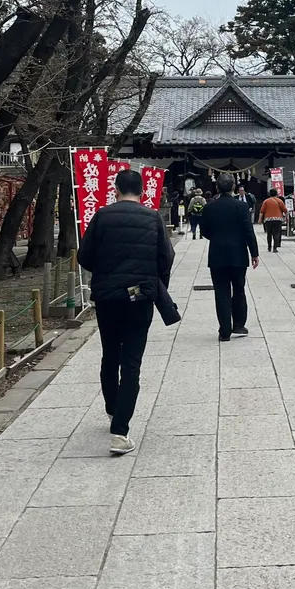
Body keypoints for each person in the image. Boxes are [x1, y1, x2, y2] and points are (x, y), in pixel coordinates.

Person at [77, 169, 175, 456]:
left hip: (107, 297)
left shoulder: (102, 216)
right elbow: (165, 258)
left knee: (110, 353)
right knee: (131, 362)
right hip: (140, 297)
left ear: (115, 190)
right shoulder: (153, 217)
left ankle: (111, 409)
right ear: (143, 191)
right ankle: (120, 431)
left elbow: (85, 256)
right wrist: (156, 287)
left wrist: (106, 272)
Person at [199, 172, 259, 340]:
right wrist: (254, 253)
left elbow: (204, 231)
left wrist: (217, 237)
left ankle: (224, 330)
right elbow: (249, 231)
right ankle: (239, 325)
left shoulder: (209, 207)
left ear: (217, 187)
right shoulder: (241, 207)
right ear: (233, 187)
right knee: (239, 289)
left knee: (221, 291)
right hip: (238, 253)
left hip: (217, 253)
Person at [259, 188, 286, 253]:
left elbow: (262, 211)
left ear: (269, 194)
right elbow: (285, 210)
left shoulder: (266, 201)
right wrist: (286, 218)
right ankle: (275, 248)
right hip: (278, 219)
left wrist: (260, 219)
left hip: (268, 219)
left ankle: (269, 247)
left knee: (269, 233)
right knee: (276, 233)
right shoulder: (280, 201)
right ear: (276, 193)